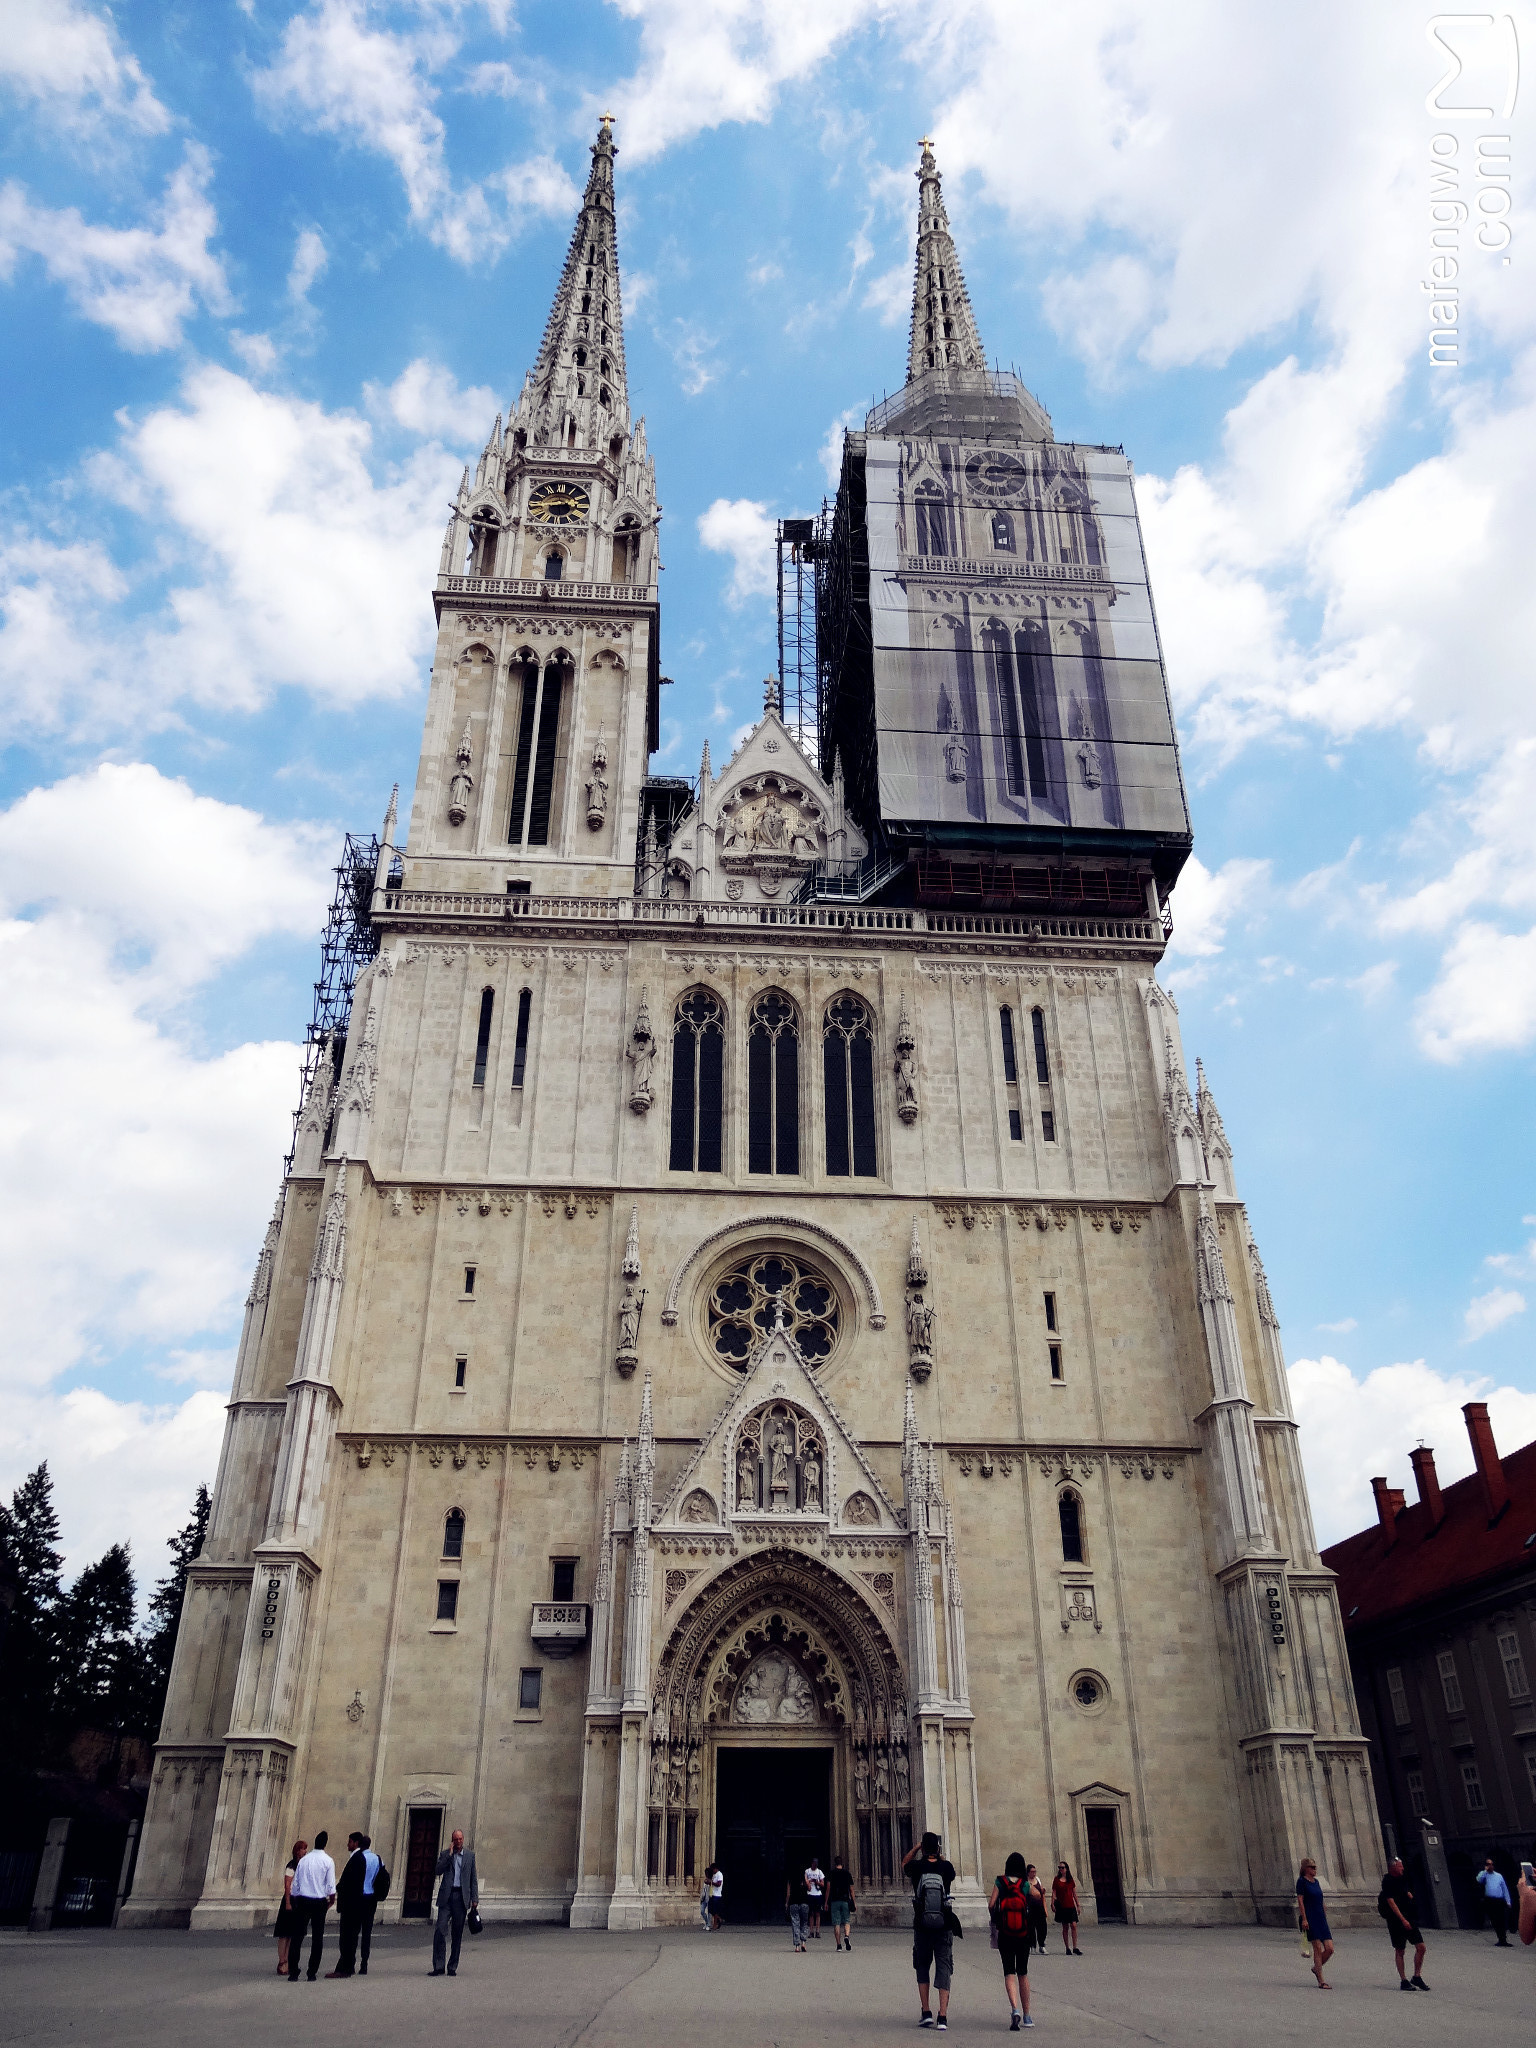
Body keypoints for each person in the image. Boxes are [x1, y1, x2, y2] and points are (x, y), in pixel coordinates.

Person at [902, 1830, 957, 2030]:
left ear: (923, 1848)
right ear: (938, 1848)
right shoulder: (946, 1867)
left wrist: (916, 1848)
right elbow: (950, 1873)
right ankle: (942, 2016)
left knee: (922, 1966)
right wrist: (938, 1854)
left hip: (922, 1925)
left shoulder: (916, 1867)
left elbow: (903, 1864)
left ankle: (926, 2012)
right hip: (944, 1925)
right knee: (944, 1967)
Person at [989, 1851, 1035, 2030]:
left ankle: (1014, 2009)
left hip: (1005, 1932)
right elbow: (1037, 1895)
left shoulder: (1000, 1881)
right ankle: (1028, 2016)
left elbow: (991, 1904)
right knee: (1023, 1973)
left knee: (1009, 1972)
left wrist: (997, 1918)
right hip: (1023, 1933)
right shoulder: (1024, 1884)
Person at [329, 1832, 384, 1978]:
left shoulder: (358, 1858)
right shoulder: (377, 1859)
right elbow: (382, 1877)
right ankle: (364, 1964)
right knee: (367, 1932)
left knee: (351, 1933)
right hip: (371, 1898)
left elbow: (350, 1881)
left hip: (357, 1899)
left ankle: (348, 1965)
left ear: (358, 1844)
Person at [287, 1830, 337, 1981]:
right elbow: (330, 1885)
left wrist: (295, 1899)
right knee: (317, 1937)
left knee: (297, 1936)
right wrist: (331, 1900)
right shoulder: (328, 1861)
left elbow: (295, 1884)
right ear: (325, 1844)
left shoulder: (304, 1860)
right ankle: (312, 1972)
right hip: (319, 1901)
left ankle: (294, 1971)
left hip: (303, 1899)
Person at [431, 1828, 479, 1977]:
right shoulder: (445, 1854)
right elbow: (438, 1870)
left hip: (461, 1897)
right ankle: (439, 1965)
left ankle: (452, 1966)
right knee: (440, 1930)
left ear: (463, 1840)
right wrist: (449, 1856)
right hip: (447, 1896)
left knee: (457, 1933)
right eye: (455, 1839)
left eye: (460, 1839)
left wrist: (474, 1899)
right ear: (452, 1841)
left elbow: (473, 1879)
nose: (458, 1842)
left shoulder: (470, 1856)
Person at [1378, 1857, 1429, 1990]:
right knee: (1400, 1949)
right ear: (1393, 1867)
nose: (1402, 1868)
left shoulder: (1402, 1878)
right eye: (1400, 1866)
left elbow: (1407, 1891)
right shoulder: (1387, 1881)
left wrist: (1412, 1900)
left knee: (1421, 1947)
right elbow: (1391, 1902)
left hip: (1409, 1917)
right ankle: (1403, 1980)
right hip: (1396, 1920)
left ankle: (1416, 1976)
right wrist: (1402, 1920)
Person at [1296, 1857, 1333, 1989]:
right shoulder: (1301, 1882)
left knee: (1329, 1948)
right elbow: (1300, 1901)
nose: (1315, 1869)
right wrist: (1304, 1918)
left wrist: (1324, 1911)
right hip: (1310, 1917)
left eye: (1315, 1867)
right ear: (1306, 1869)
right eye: (1312, 1867)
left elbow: (1320, 1898)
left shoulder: (1316, 1882)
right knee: (1317, 1948)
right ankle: (1321, 1980)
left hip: (1320, 1918)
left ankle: (1316, 1968)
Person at [274, 1840, 305, 1976]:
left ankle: (287, 1960)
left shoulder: (303, 1865)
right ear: (297, 1851)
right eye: (303, 1849)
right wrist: (287, 1902)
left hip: (298, 1900)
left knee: (292, 1933)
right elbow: (287, 1885)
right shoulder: (291, 1866)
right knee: (284, 1933)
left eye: (305, 1849)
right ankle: (282, 1961)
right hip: (290, 1899)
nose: (305, 1851)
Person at [1476, 1856, 1513, 1945]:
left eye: (1492, 1864)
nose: (1490, 1866)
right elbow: (1479, 1880)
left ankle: (1503, 1939)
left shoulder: (1498, 1876)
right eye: (1488, 1864)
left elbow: (1504, 1889)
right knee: (1494, 1920)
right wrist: (1485, 1871)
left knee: (1501, 1919)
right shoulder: (1484, 1874)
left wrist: (1508, 1901)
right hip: (1489, 1900)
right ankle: (1500, 1938)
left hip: (1499, 1900)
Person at [1051, 1861, 1081, 1955]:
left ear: (1066, 1869)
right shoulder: (1056, 1879)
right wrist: (1052, 1903)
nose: (1060, 1869)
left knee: (1074, 1925)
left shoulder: (1070, 1880)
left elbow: (1074, 1893)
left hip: (1070, 1905)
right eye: (1059, 1867)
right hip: (1062, 1906)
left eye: (1062, 1867)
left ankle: (1075, 1947)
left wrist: (1078, 1905)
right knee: (1065, 1927)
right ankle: (1067, 1948)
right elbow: (1054, 1892)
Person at [827, 1854, 855, 1952]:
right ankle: (846, 1936)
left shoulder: (832, 1873)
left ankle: (839, 1945)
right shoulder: (847, 1873)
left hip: (835, 1900)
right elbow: (851, 1890)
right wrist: (854, 1902)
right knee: (847, 1921)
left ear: (835, 1863)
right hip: (845, 1900)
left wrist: (826, 1901)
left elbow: (828, 1888)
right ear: (842, 1863)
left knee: (836, 1923)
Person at [1024, 1864, 1049, 1956]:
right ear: (1028, 1872)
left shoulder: (1037, 1879)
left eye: (1035, 1871)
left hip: (1039, 1907)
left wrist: (1043, 1891)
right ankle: (1032, 1946)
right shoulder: (1025, 1882)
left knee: (1042, 1927)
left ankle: (1042, 1945)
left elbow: (1042, 1894)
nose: (1034, 1874)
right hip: (1030, 1907)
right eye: (1032, 1872)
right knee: (1031, 1927)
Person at [785, 1865, 809, 1951]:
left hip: (793, 1902)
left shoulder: (790, 1880)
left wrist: (787, 1903)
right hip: (804, 1902)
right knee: (804, 1923)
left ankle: (797, 1946)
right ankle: (803, 1943)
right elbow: (809, 1888)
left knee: (795, 1923)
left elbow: (788, 1893)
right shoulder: (804, 1878)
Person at [805, 1854, 826, 1939]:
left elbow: (823, 1884)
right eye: (814, 1863)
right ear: (812, 1863)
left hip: (817, 1894)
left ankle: (817, 1931)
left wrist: (817, 1882)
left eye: (816, 1863)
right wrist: (809, 1881)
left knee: (817, 1913)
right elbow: (805, 1882)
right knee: (811, 1913)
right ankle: (811, 1931)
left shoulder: (819, 1872)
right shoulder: (807, 1871)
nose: (815, 1865)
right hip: (810, 1893)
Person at [710, 1862, 724, 1931]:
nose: (712, 1870)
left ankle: (715, 1925)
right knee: (711, 1910)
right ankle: (719, 1919)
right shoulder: (714, 1875)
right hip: (712, 1894)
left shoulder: (719, 1874)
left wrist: (711, 1883)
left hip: (717, 1895)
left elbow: (719, 1884)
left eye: (713, 1869)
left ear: (715, 1868)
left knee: (715, 1911)